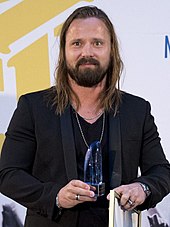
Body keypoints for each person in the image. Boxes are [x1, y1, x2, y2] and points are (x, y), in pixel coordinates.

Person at [0, 5, 170, 227]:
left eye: (97, 43)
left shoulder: (137, 109)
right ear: (64, 52)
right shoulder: (33, 107)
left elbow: (161, 171)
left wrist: (143, 188)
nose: (87, 52)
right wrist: (56, 197)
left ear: (111, 50)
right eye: (77, 43)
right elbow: (8, 175)